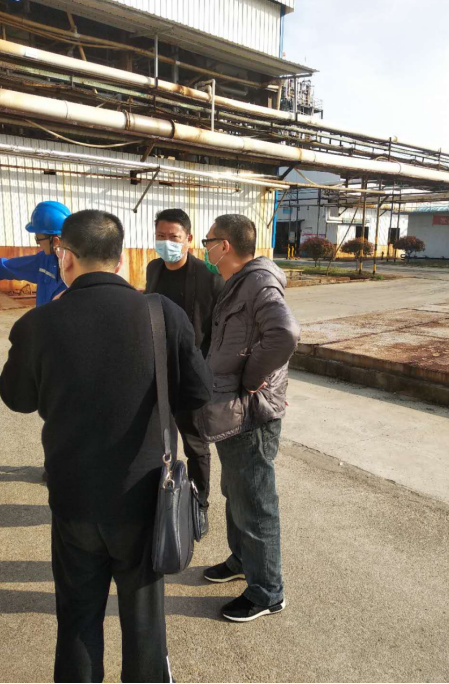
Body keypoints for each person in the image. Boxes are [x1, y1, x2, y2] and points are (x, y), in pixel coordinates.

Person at [0, 209, 213, 683]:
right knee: (144, 625)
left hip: (74, 498)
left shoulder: (39, 323)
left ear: (65, 257)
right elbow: (199, 393)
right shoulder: (162, 314)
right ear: (120, 261)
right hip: (144, 498)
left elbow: (16, 398)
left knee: (77, 619)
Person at [198, 214, 300, 623]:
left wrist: (251, 376)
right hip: (232, 408)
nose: (205, 247)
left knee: (256, 502)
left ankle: (267, 592)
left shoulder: (258, 283)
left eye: (208, 240)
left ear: (224, 245)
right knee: (236, 491)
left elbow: (285, 333)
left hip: (250, 412)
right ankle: (242, 560)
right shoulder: (238, 282)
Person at [145, 208, 224, 535]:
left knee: (195, 444)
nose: (166, 242)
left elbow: (218, 331)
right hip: (156, 369)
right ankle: (162, 497)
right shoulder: (153, 269)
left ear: (188, 239)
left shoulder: (209, 277)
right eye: (160, 236)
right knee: (154, 439)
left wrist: (208, 371)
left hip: (190, 370)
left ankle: (199, 503)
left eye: (173, 237)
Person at [0, 201, 71, 306]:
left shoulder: (79, 271)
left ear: (55, 241)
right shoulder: (43, 262)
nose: (38, 244)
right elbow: (5, 267)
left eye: (38, 239)